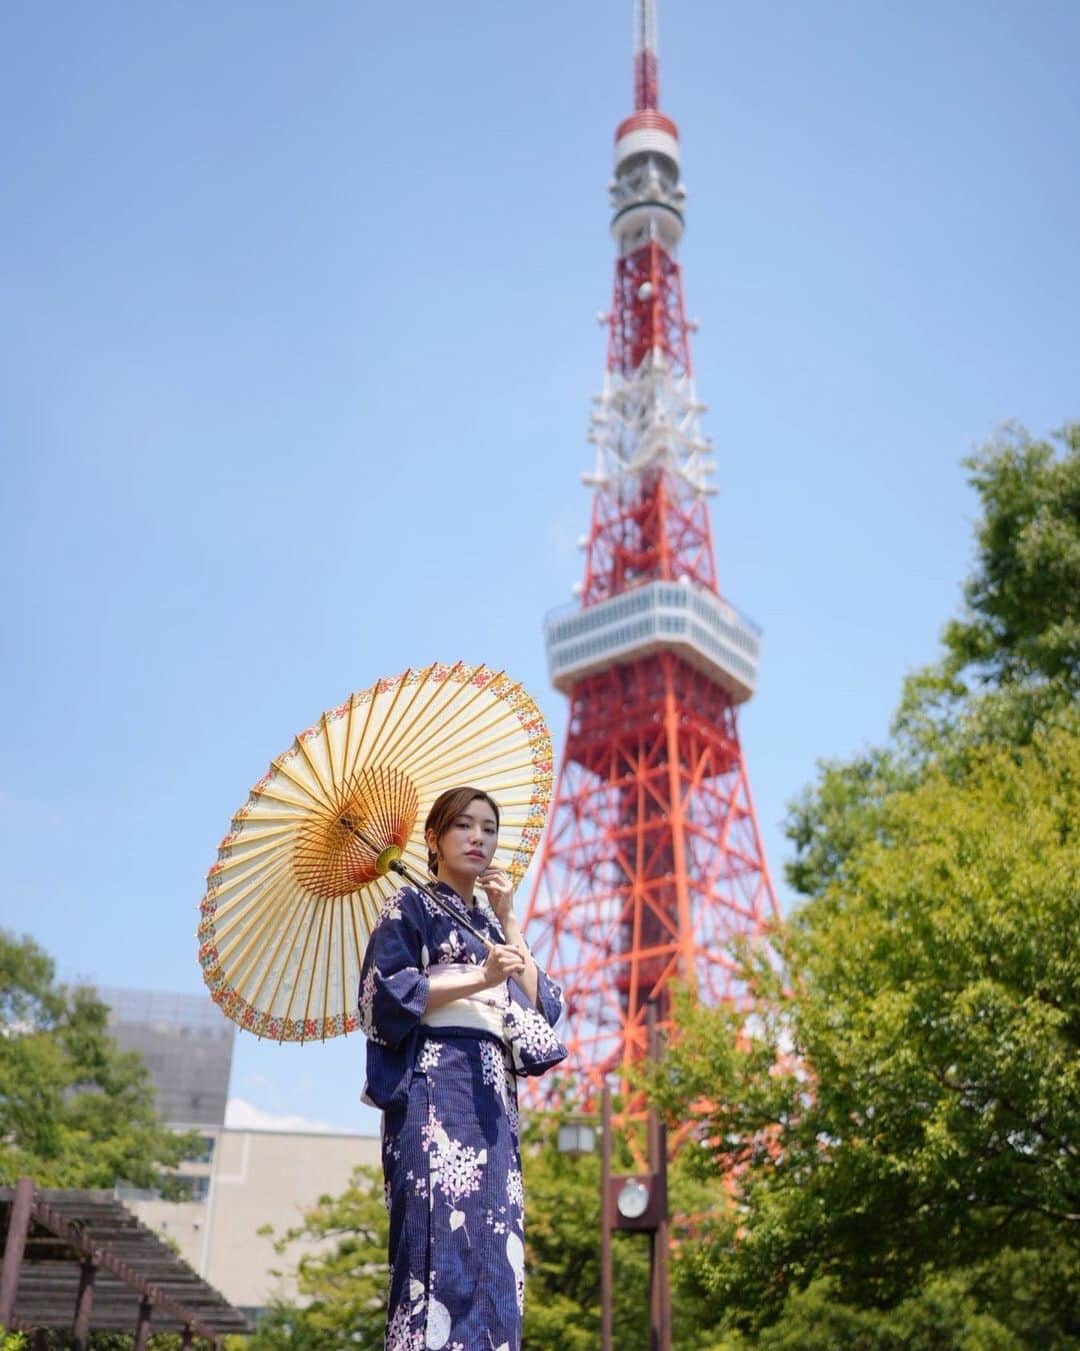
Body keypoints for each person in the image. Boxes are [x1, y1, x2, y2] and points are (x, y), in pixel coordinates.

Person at [358, 785, 566, 1351]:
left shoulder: (493, 926)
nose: (479, 838)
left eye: (489, 829)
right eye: (463, 826)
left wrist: (509, 919)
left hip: (491, 1095)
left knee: (497, 1241)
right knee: (437, 1236)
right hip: (435, 1087)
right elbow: (384, 996)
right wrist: (479, 979)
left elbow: (544, 1007)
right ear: (433, 839)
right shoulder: (410, 906)